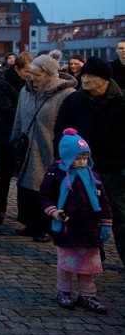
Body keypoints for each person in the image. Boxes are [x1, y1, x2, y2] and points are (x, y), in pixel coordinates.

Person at [54, 56, 125, 268]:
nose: (85, 80)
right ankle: (94, 257)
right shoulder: (74, 100)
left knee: (120, 217)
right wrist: (63, 162)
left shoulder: (121, 101)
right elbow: (61, 133)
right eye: (84, 75)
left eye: (91, 76)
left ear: (105, 80)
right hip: (82, 168)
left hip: (114, 169)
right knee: (87, 215)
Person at [39, 128, 112, 314]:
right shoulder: (57, 173)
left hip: (89, 228)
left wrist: (105, 222)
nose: (82, 162)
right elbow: (45, 195)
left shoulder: (92, 177)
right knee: (67, 262)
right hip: (67, 227)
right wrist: (55, 213)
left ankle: (87, 294)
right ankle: (63, 291)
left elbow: (103, 201)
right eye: (78, 158)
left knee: (88, 264)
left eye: (85, 158)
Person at [11, 54, 76, 242]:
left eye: (38, 75)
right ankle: (30, 223)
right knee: (26, 187)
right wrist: (14, 139)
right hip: (27, 146)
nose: (33, 78)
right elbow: (19, 116)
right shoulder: (26, 91)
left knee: (46, 188)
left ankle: (45, 227)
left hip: (49, 147)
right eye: (31, 74)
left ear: (49, 75)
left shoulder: (66, 94)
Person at [0, 51, 33, 224]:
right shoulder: (3, 81)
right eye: (26, 72)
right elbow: (5, 107)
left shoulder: (32, 82)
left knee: (26, 174)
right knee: (5, 172)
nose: (29, 76)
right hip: (7, 132)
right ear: (17, 68)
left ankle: (25, 213)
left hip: (26, 132)